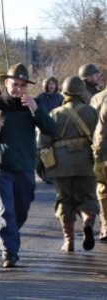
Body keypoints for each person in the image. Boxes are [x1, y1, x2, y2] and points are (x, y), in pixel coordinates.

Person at [0, 63, 56, 268]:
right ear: (6, 83)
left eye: (22, 85)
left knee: (21, 208)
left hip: (26, 167)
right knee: (5, 210)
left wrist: (36, 110)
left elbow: (50, 129)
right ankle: (9, 252)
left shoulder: (33, 104)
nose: (18, 88)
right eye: (15, 84)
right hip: (2, 167)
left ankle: (9, 234)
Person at [39, 75, 99, 252]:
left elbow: (43, 141)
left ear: (64, 92)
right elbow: (101, 137)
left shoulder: (55, 114)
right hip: (87, 164)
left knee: (64, 201)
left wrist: (43, 166)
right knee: (88, 198)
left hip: (61, 166)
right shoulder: (91, 112)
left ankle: (69, 240)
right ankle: (87, 224)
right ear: (81, 92)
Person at [35, 76, 63, 183]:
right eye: (49, 83)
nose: (51, 86)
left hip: (56, 127)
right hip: (42, 129)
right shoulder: (40, 97)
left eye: (53, 84)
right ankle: (43, 173)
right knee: (41, 153)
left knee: (55, 152)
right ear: (45, 85)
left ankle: (52, 174)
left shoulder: (60, 98)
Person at [91, 88, 107, 242]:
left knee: (103, 189)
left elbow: (98, 130)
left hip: (104, 152)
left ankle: (105, 226)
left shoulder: (98, 98)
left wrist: (97, 155)